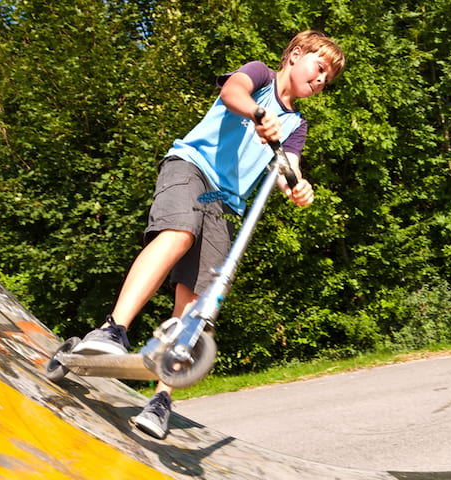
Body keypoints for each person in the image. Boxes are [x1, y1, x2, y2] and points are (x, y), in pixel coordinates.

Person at [72, 30, 345, 439]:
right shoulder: (260, 77)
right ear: (295, 55)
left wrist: (298, 187)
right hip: (191, 167)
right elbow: (234, 91)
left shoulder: (298, 125)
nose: (322, 80)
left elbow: (287, 169)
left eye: (328, 79)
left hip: (224, 202)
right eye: (319, 68)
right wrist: (257, 114)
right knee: (179, 233)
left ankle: (161, 399)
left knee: (201, 300)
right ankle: (112, 329)